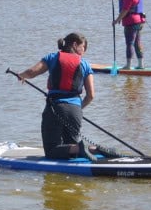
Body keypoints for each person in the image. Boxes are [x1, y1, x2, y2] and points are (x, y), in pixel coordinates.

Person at [14, 32, 96, 160]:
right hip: (75, 110)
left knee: (52, 150)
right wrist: (78, 108)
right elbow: (91, 95)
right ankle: (91, 149)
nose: (84, 52)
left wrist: (21, 75)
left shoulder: (53, 57)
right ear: (75, 45)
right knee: (71, 150)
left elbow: (32, 72)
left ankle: (79, 148)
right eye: (83, 48)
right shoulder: (85, 64)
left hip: (55, 108)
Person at [111, 0, 146, 69]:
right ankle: (141, 65)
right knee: (137, 43)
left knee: (129, 43)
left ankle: (128, 66)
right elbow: (126, 1)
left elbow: (125, 10)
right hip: (140, 22)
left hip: (131, 22)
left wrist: (117, 20)